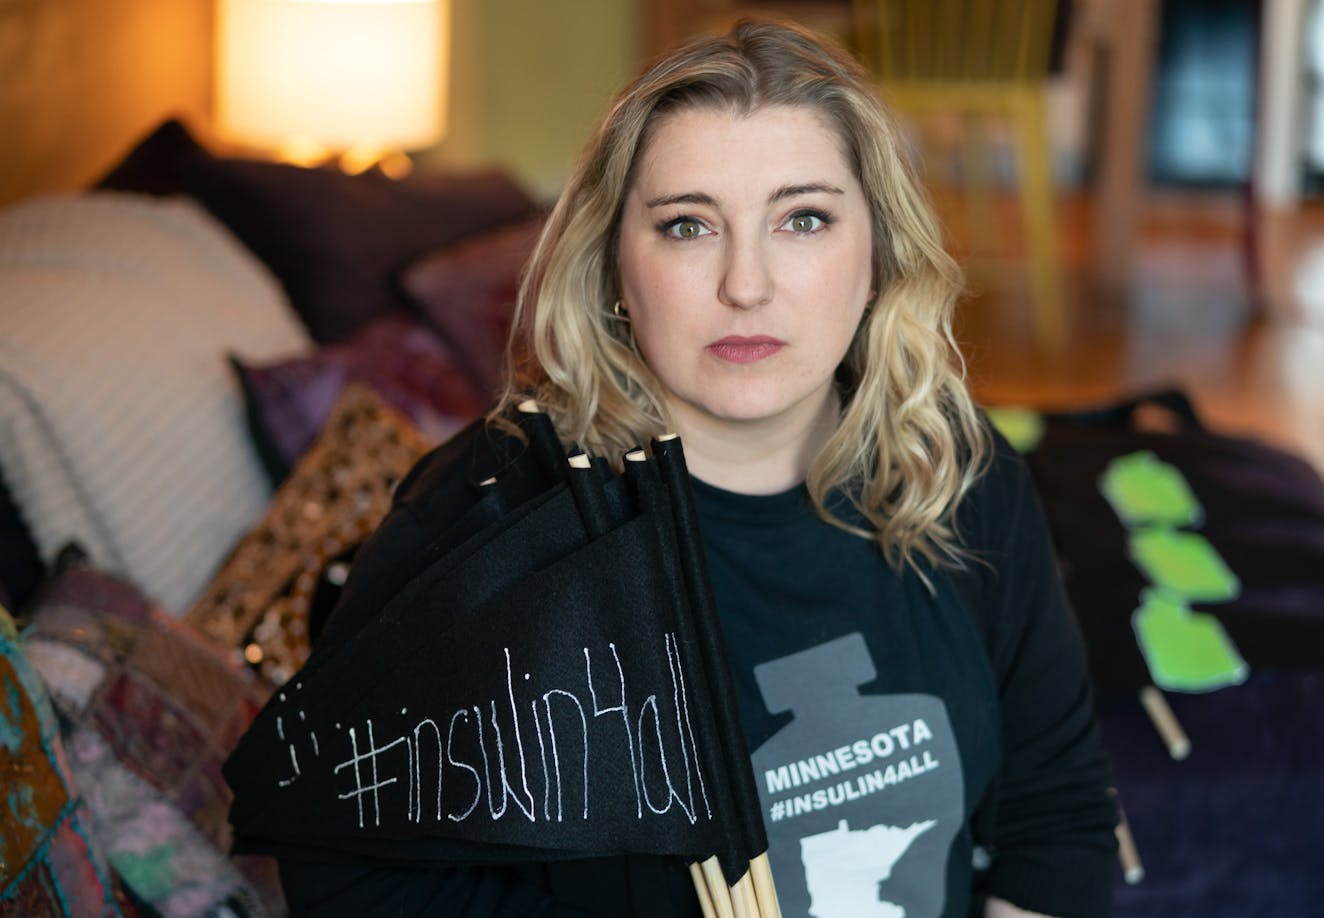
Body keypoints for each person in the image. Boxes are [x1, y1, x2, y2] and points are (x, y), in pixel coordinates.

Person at [268, 18, 1117, 918]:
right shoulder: (488, 521)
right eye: (687, 226)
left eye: (803, 219)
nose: (745, 285)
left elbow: (1054, 820)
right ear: (613, 271)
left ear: (876, 256)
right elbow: (348, 874)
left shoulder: (962, 474)